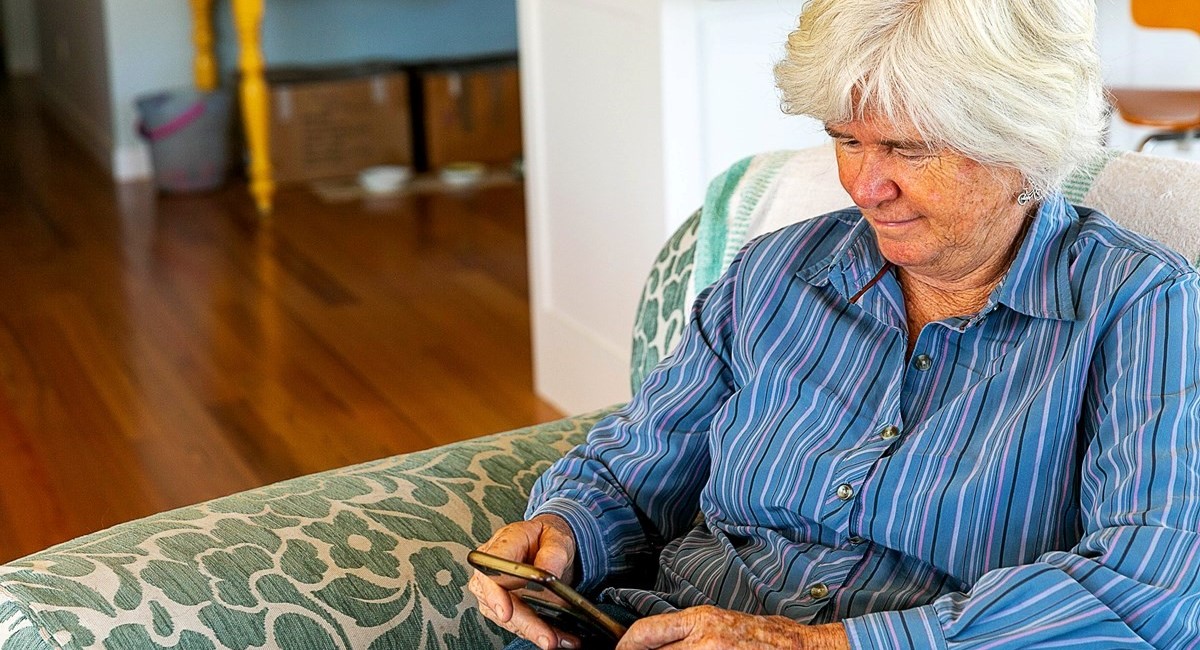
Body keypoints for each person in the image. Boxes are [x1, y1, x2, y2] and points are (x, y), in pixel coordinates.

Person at [470, 0, 1200, 647]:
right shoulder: (776, 273)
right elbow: (635, 466)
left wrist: (815, 645)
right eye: (847, 140)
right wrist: (564, 530)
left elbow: (1145, 593)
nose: (865, 185)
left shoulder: (1143, 308)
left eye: (909, 150)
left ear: (1024, 146)